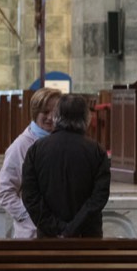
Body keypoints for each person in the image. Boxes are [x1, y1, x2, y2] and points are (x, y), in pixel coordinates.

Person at [20, 94, 110, 237]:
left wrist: (57, 228)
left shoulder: (36, 150)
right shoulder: (97, 151)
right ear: (87, 118)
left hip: (49, 239)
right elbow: (99, 197)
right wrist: (72, 228)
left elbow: (30, 196)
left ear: (56, 117)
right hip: (86, 238)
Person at [0, 87, 62, 238]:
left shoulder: (63, 142)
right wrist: (29, 216)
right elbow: (5, 192)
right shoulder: (20, 146)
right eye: (45, 112)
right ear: (34, 113)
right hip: (32, 234)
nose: (51, 118)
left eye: (56, 113)